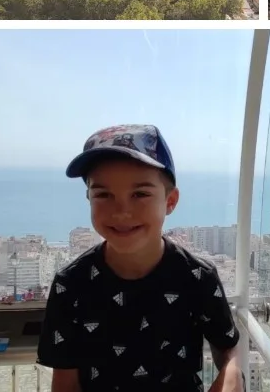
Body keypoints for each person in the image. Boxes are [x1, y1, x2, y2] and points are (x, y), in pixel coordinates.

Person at [37, 124, 242, 392]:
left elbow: (227, 346)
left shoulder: (197, 277)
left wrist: (231, 374)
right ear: (88, 198)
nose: (122, 211)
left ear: (170, 201)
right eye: (103, 195)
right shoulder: (71, 283)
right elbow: (65, 382)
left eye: (140, 194)